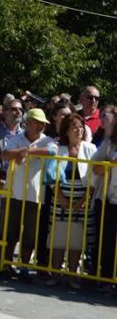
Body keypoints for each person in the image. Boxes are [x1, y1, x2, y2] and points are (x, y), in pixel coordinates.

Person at [2, 108, 58, 283]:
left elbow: (52, 152)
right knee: (10, 232)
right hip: (14, 192)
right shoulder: (15, 138)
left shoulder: (47, 140)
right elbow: (4, 155)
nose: (41, 126)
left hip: (35, 194)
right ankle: (6, 264)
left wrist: (27, 152)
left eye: (42, 123)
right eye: (37, 122)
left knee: (30, 234)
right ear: (28, 122)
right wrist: (23, 150)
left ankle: (24, 267)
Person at [44, 113, 97, 288]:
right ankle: (55, 272)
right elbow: (51, 175)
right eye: (74, 126)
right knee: (58, 236)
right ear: (66, 130)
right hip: (60, 198)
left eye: (81, 126)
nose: (78, 130)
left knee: (77, 237)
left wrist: (82, 200)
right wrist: (61, 198)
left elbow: (94, 178)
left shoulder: (90, 149)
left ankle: (73, 274)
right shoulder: (58, 148)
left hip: (83, 199)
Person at [91, 105, 116, 288]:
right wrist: (110, 163)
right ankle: (105, 277)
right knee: (105, 240)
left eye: (106, 115)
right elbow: (95, 167)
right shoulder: (108, 142)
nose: (103, 117)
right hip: (108, 198)